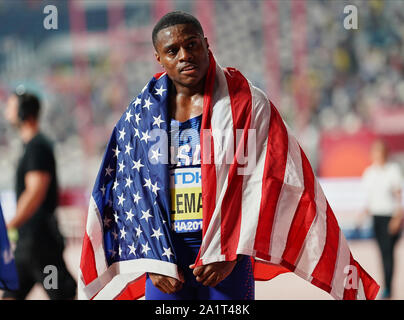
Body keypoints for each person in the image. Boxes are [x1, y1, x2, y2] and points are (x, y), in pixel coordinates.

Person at [145, 11, 254, 300]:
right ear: (159, 58)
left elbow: (259, 186)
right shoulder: (142, 114)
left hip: (226, 260)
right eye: (172, 50)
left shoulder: (243, 105)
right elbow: (132, 191)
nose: (185, 55)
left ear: (206, 45)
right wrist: (151, 260)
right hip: (166, 262)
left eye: (192, 45)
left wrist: (231, 252)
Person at [2, 90, 77, 300]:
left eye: (11, 106)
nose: (7, 110)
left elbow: (35, 192)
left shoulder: (37, 147)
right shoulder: (31, 147)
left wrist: (10, 224)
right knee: (9, 295)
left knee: (61, 295)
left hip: (41, 246)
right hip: (27, 246)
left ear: (24, 112)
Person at [360, 140, 403, 299]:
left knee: (388, 253)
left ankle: (389, 289)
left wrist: (398, 217)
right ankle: (387, 287)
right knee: (382, 253)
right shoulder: (369, 172)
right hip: (376, 217)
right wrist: (363, 213)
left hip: (390, 216)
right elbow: (370, 199)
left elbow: (399, 197)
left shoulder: (392, 170)